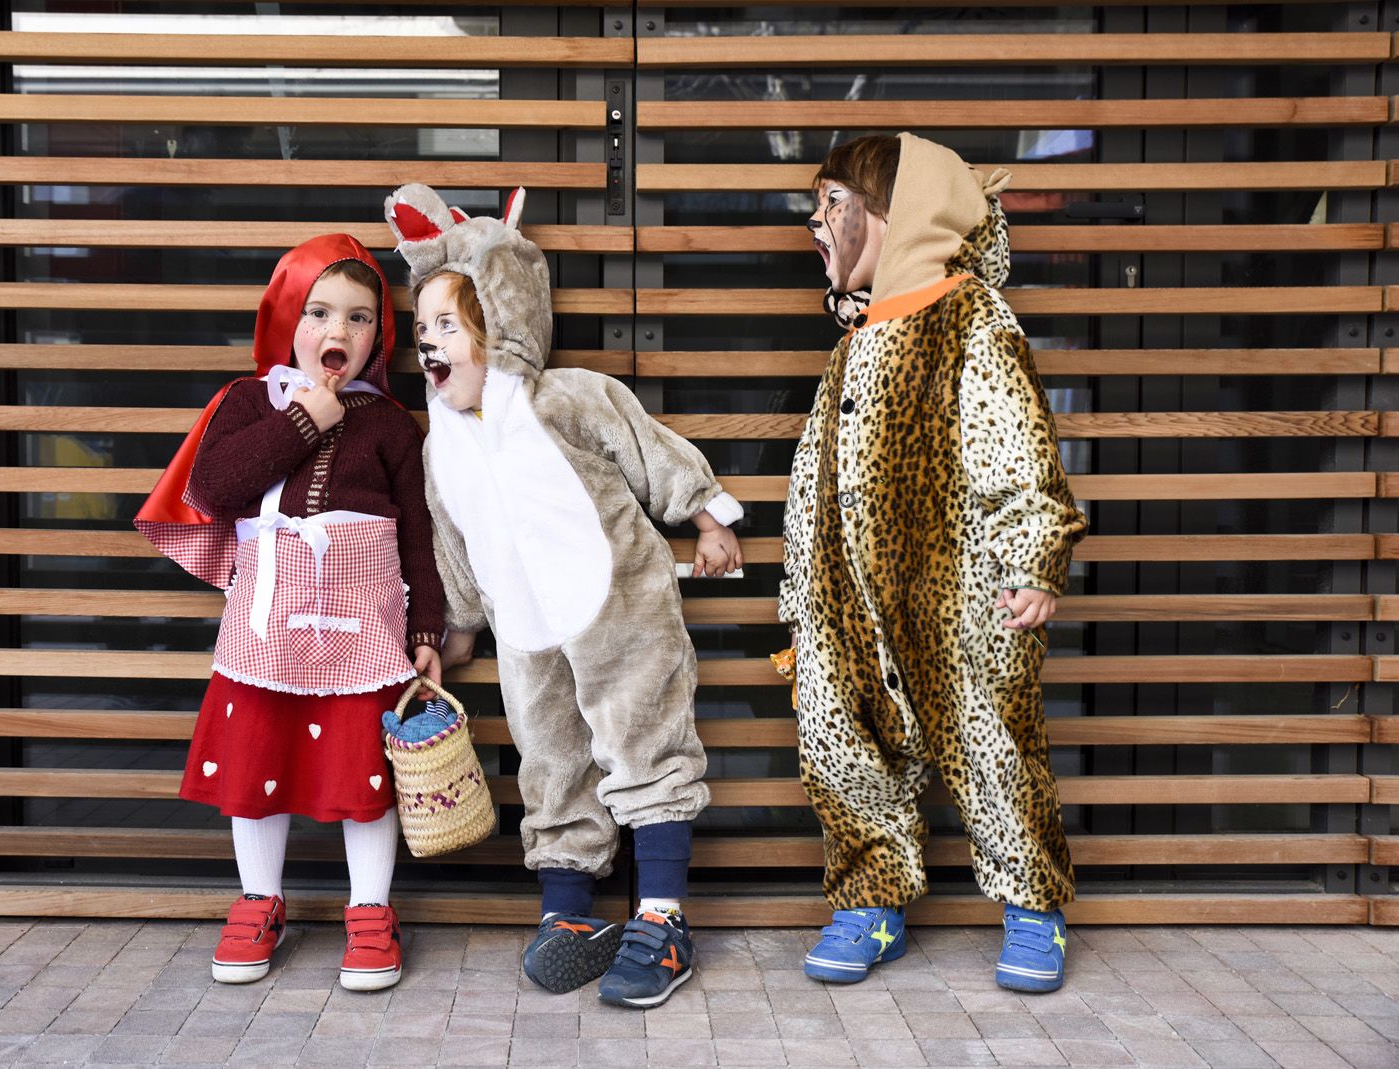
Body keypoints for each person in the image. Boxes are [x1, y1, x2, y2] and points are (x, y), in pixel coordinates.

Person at [384, 184, 742, 1009]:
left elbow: (648, 447)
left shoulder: (565, 397)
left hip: (619, 608)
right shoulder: (442, 444)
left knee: (644, 742)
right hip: (527, 631)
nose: (432, 345)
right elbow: (451, 538)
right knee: (550, 764)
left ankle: (662, 916)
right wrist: (462, 623)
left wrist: (705, 513)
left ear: (501, 320)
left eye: (451, 325)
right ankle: (569, 914)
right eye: (423, 329)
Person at [780, 133, 1087, 993]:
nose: (816, 218)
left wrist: (1032, 554)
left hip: (956, 595)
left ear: (896, 211)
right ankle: (871, 898)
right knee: (842, 746)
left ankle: (1033, 905)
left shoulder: (968, 317)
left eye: (832, 201)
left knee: (993, 744)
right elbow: (819, 474)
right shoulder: (855, 337)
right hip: (847, 602)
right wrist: (803, 593)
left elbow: (1015, 441)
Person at [133, 235, 444, 992]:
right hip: (265, 629)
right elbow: (215, 486)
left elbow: (418, 532)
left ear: (379, 336)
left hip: (364, 630)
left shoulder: (393, 426)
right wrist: (306, 419)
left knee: (363, 768)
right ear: (285, 318)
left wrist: (428, 631)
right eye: (319, 312)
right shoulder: (248, 402)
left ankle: (371, 909)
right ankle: (259, 898)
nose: (338, 332)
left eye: (360, 318)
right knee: (255, 761)